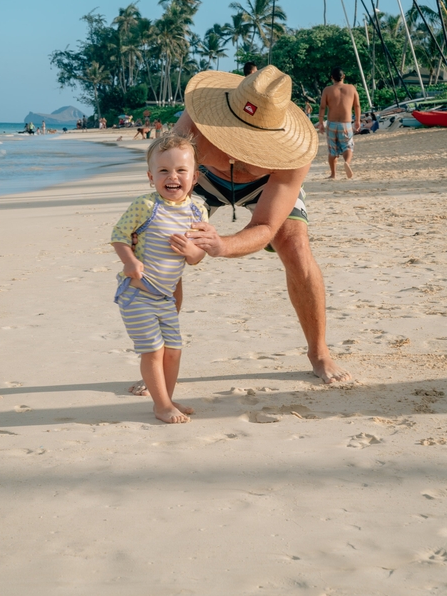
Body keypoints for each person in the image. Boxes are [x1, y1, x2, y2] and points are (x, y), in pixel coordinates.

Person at [129, 66, 350, 394]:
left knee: (295, 245)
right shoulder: (194, 122)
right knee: (164, 248)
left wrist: (223, 245)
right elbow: (167, 178)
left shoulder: (294, 153)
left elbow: (265, 225)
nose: (237, 148)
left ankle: (319, 352)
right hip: (201, 177)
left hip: (264, 185)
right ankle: (159, 360)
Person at [111, 134, 208, 423]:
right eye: (163, 171)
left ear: (195, 176)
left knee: (174, 352)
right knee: (153, 351)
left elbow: (197, 256)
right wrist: (130, 261)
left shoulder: (197, 210)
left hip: (165, 297)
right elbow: (119, 236)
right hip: (137, 293)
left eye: (181, 170)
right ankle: (161, 405)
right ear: (151, 176)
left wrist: (193, 250)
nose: (172, 177)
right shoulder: (145, 205)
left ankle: (166, 397)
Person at [318, 67, 361, 179]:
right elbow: (357, 105)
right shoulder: (351, 88)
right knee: (347, 146)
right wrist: (357, 120)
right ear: (344, 77)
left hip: (332, 124)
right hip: (345, 124)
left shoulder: (327, 90)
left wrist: (321, 122)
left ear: (332, 77)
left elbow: (322, 107)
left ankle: (333, 174)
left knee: (332, 150)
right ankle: (347, 162)